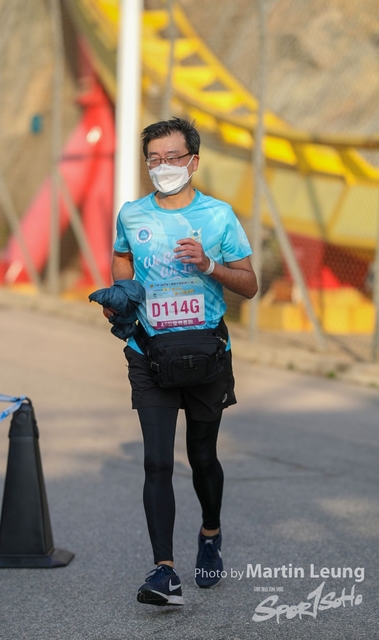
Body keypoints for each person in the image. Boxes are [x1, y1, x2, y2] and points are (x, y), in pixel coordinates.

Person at [104, 117, 257, 606]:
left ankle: (210, 533)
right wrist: (122, 296)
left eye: (172, 157)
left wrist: (209, 264)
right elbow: (123, 259)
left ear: (193, 161)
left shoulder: (218, 216)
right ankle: (164, 572)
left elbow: (250, 285)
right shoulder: (132, 215)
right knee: (156, 461)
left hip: (206, 354)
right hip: (149, 353)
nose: (163, 166)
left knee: (202, 457)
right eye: (154, 159)